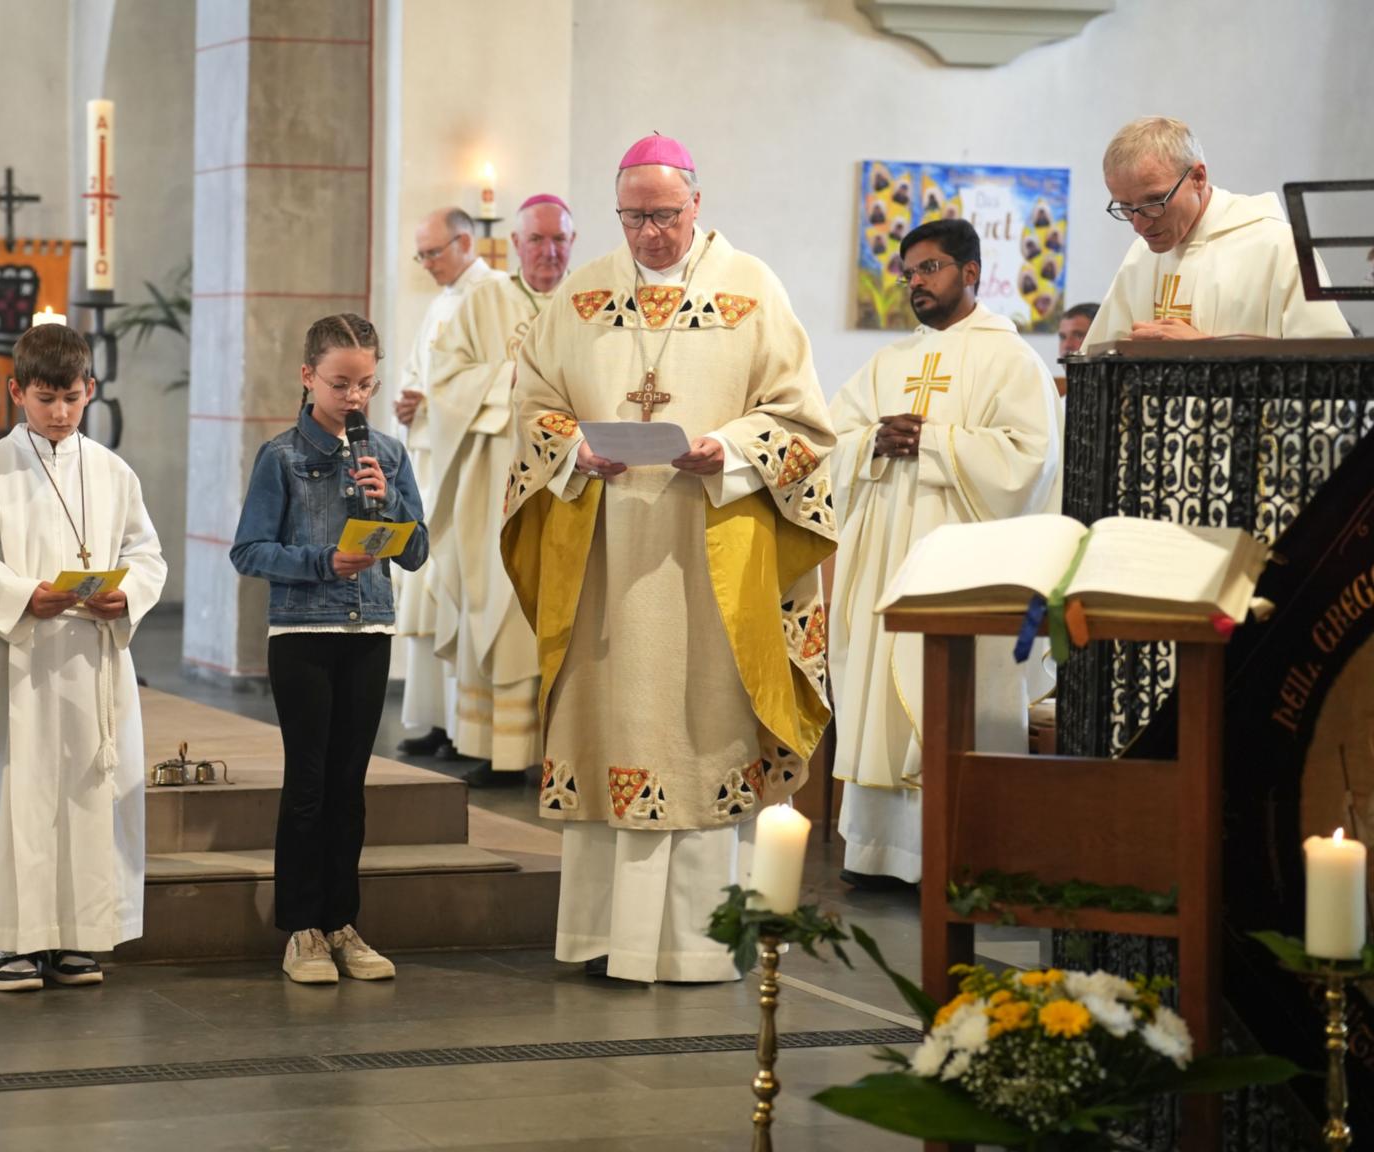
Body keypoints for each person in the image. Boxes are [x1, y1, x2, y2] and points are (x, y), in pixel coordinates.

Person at [501, 135, 837, 984]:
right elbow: (532, 405)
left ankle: (695, 947)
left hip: (710, 557)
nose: (648, 233)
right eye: (633, 217)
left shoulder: (753, 291)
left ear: (697, 205)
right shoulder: (579, 296)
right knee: (603, 725)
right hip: (604, 558)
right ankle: (598, 937)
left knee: (702, 731)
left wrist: (728, 450)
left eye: (664, 215)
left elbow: (803, 424)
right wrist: (575, 450)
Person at [0, 324, 166, 991]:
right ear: (16, 392)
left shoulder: (114, 473)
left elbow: (147, 554)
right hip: (19, 659)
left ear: (91, 390)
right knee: (16, 795)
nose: (59, 413)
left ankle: (76, 937)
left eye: (70, 398)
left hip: (92, 658)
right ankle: (4, 944)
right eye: (44, 398)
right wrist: (17, 594)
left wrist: (132, 596)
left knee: (87, 796)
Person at [827, 218, 1062, 888]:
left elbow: (1030, 461)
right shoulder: (888, 363)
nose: (915, 283)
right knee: (881, 690)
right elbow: (832, 441)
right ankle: (878, 853)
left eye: (929, 268)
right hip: (889, 561)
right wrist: (873, 439)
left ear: (971, 273)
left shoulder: (1010, 360)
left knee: (956, 697)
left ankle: (963, 854)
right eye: (908, 272)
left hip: (967, 568)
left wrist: (930, 441)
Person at [231, 314, 429, 985]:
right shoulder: (281, 456)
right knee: (309, 785)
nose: (354, 397)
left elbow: (418, 551)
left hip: (369, 632)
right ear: (308, 375)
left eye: (366, 383)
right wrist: (323, 561)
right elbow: (249, 550)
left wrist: (390, 506)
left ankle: (343, 922)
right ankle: (302, 930)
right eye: (340, 383)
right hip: (304, 634)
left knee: (350, 786)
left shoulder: (391, 455)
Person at [423, 194, 575, 786]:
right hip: (498, 482)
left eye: (559, 239)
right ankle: (499, 749)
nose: (549, 251)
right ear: (513, 245)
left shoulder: (588, 302)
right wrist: (510, 378)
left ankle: (559, 748)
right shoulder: (485, 301)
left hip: (570, 484)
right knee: (501, 603)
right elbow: (445, 380)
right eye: (536, 239)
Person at [1084, 116, 1351, 344]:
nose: (1139, 225)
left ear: (1198, 178)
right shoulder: (1140, 257)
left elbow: (1327, 371)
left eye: (1154, 202)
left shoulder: (1279, 248)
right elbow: (1097, 363)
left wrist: (1205, 351)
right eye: (1126, 207)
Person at [394, 207, 501, 761]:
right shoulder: (440, 303)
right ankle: (436, 720)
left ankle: (469, 730)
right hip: (428, 465)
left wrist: (433, 404)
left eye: (433, 253)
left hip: (465, 469)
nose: (427, 264)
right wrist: (410, 403)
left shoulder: (495, 296)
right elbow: (419, 373)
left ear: (465, 241)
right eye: (422, 255)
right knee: (427, 594)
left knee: (460, 593)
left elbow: (497, 382)